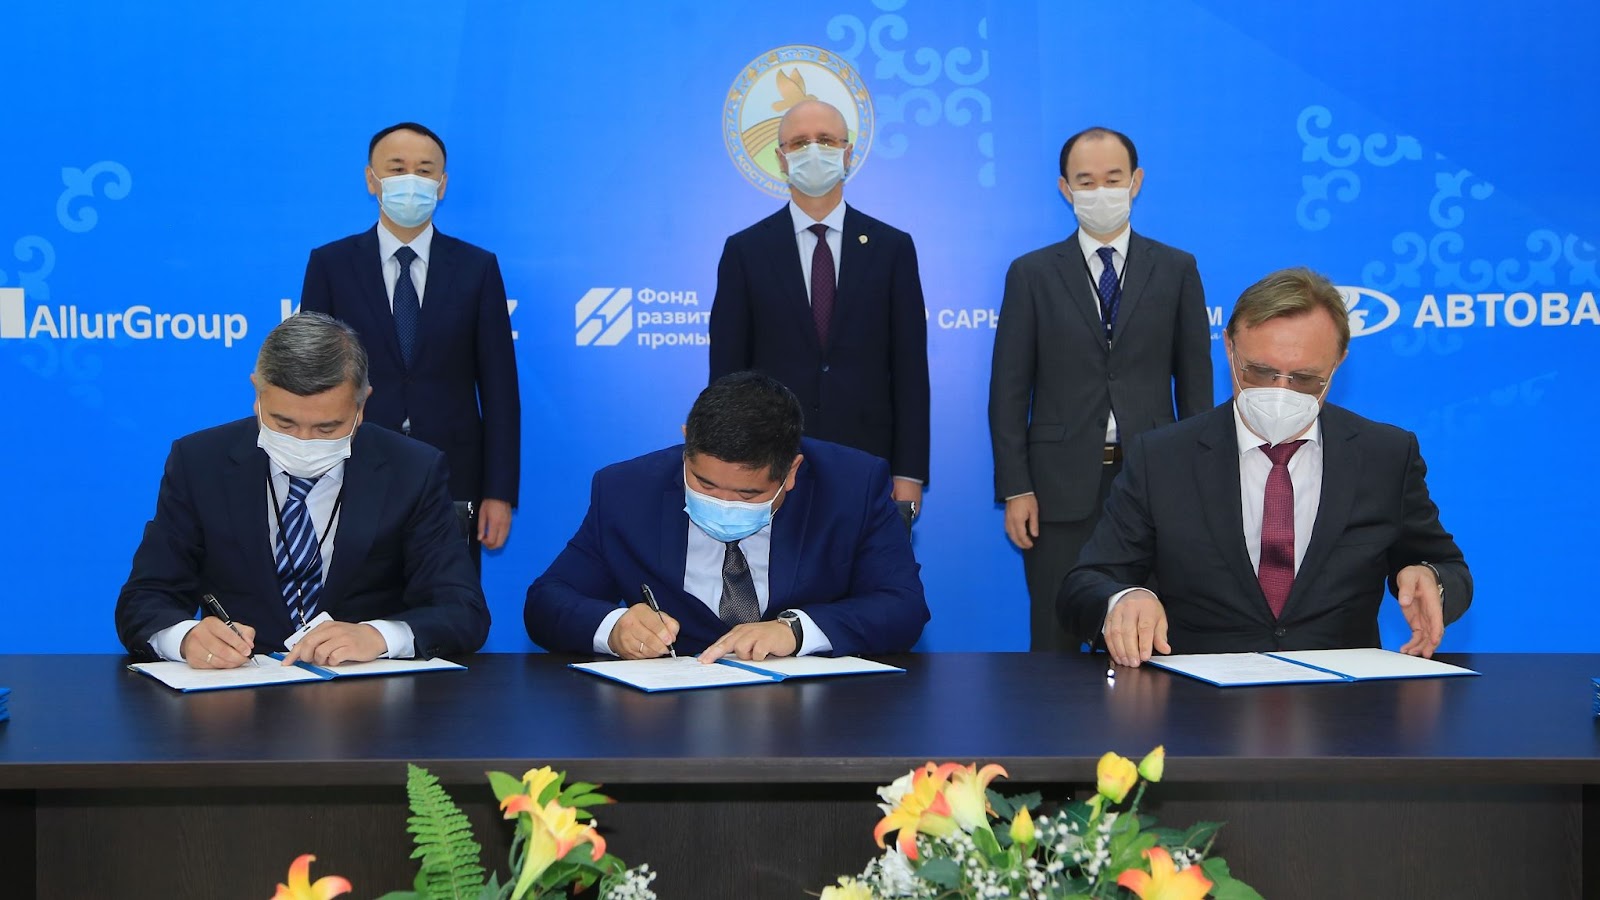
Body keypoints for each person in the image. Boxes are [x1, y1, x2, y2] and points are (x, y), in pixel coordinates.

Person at [1060, 268, 1472, 666]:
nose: (1280, 391)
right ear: (1229, 347)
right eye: (1259, 371)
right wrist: (1123, 599)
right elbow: (1084, 585)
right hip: (1197, 700)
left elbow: (1448, 567)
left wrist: (1431, 579)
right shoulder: (1162, 457)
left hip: (1343, 699)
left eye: (1305, 378)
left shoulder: (1385, 455)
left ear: (1338, 363)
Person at [115, 312, 490, 668]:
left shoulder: (414, 470)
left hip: (367, 697)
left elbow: (463, 610)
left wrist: (379, 636)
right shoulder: (199, 463)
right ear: (257, 393)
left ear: (362, 406)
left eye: (327, 428)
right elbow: (144, 598)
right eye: (284, 424)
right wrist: (185, 638)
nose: (304, 441)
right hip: (238, 692)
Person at [989, 126, 1212, 651]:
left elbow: (1196, 387)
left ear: (1136, 181)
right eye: (1086, 181)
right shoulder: (1031, 274)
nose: (1100, 191)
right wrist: (1017, 488)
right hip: (1057, 488)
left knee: (1151, 635)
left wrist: (1199, 483)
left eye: (1113, 179)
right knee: (1055, 634)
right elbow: (1008, 392)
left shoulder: (1177, 268)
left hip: (1153, 482)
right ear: (1065, 189)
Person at [525, 371, 928, 661]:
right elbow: (547, 602)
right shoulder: (626, 490)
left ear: (791, 472)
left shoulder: (851, 486)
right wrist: (614, 627)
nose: (722, 503)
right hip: (666, 719)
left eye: (748, 494)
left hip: (810, 720)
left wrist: (796, 630)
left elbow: (903, 607)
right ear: (687, 443)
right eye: (704, 484)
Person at [300, 121, 519, 563]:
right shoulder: (331, 264)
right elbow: (310, 378)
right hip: (352, 467)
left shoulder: (477, 268)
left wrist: (499, 493)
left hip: (452, 475)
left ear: (442, 184)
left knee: (449, 595)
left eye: (424, 170)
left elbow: (500, 390)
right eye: (397, 169)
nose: (411, 181)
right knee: (356, 593)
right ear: (372, 179)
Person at [709, 99, 930, 521]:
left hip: (868, 462)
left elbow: (910, 372)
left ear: (847, 153)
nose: (813, 150)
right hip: (769, 464)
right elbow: (728, 375)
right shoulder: (745, 251)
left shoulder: (892, 248)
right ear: (781, 158)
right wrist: (731, 463)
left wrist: (909, 472)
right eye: (799, 142)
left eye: (826, 140)